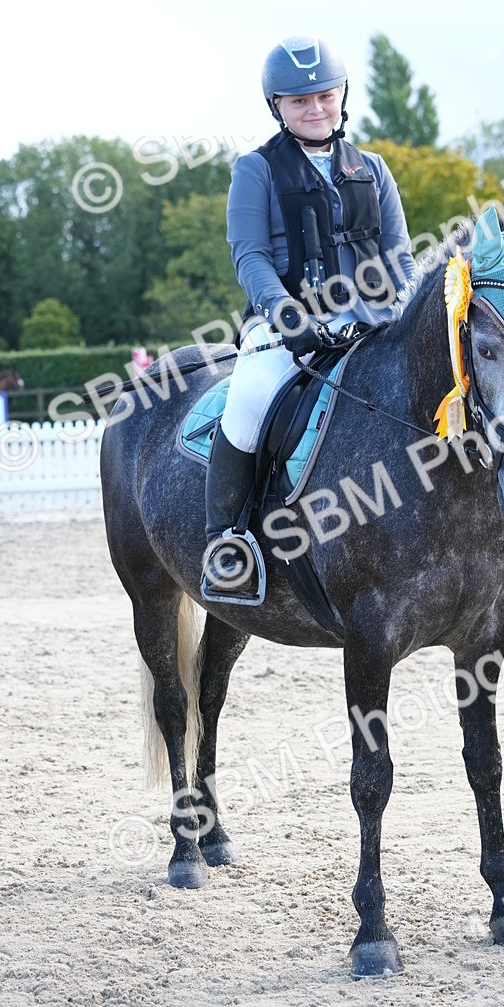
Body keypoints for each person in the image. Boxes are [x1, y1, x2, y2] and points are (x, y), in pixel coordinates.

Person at [202, 35, 417, 601]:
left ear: (342, 96)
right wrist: (285, 313)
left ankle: (474, 539)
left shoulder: (372, 168)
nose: (315, 108)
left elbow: (400, 258)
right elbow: (249, 255)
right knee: (248, 399)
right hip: (287, 326)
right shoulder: (256, 169)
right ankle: (227, 544)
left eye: (324, 96)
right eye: (300, 101)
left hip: (374, 325)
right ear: (277, 106)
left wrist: (407, 311)